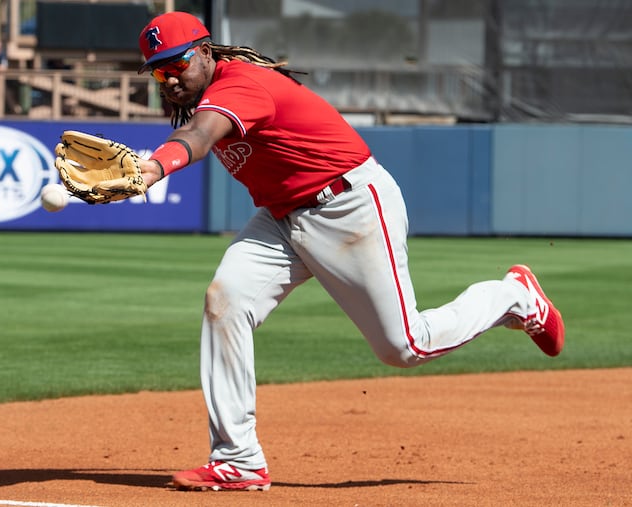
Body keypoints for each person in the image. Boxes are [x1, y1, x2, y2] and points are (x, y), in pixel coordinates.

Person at [117, 12, 565, 491]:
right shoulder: (207, 92)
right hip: (283, 217)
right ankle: (238, 459)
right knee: (225, 301)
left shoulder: (240, 85)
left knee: (404, 347)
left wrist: (151, 169)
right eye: (158, 72)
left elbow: (198, 138)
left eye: (175, 65)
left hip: (349, 205)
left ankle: (514, 297)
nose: (168, 79)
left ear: (205, 52)